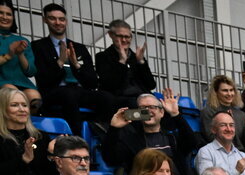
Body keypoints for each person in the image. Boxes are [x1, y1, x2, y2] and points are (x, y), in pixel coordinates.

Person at [30, 3, 115, 135]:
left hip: (79, 90)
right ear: (44, 20)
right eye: (52, 18)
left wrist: (77, 66)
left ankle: (104, 135)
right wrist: (60, 62)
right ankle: (77, 138)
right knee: (69, 94)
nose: (58, 22)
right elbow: (43, 80)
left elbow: (93, 82)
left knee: (107, 97)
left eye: (62, 19)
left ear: (66, 21)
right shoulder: (37, 46)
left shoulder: (79, 47)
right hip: (53, 92)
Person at [105, 90, 198, 175]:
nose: (147, 111)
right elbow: (111, 159)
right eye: (142, 108)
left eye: (152, 107)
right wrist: (114, 129)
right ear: (137, 113)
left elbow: (192, 143)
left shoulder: (172, 138)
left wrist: (176, 114)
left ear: (161, 112)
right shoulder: (131, 141)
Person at [0, 87, 51, 175]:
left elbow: (47, 173)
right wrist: (22, 160)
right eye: (14, 105)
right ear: (2, 109)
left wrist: (53, 156)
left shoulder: (40, 136)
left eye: (24, 105)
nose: (22, 109)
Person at [95, 20, 156, 107]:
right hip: (119, 100)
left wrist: (141, 62)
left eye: (127, 37)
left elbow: (151, 85)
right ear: (111, 35)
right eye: (119, 36)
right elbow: (109, 85)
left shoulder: (136, 57)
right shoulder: (103, 57)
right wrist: (122, 62)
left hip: (143, 98)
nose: (124, 40)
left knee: (169, 109)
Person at [0, 1, 40, 112]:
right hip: (2, 84)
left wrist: (20, 54)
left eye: (9, 14)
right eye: (1, 13)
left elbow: (31, 72)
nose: (5, 17)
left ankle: (27, 127)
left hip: (22, 83)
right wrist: (8, 55)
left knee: (34, 97)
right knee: (13, 93)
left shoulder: (22, 41)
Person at [199, 74, 245, 148]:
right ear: (216, 92)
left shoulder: (242, 115)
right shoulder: (208, 112)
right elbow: (211, 139)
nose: (229, 94)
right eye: (225, 90)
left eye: (231, 90)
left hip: (242, 155)